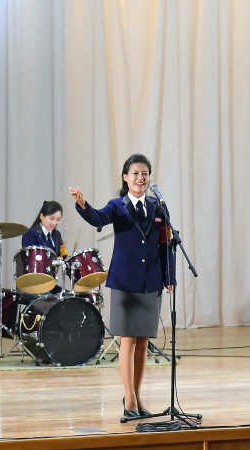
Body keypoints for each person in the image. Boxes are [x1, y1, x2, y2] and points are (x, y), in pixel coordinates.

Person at [70, 153, 176, 419]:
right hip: (125, 281)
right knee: (128, 340)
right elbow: (98, 218)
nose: (141, 178)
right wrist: (83, 205)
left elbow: (166, 245)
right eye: (136, 174)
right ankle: (129, 401)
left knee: (143, 343)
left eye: (145, 174)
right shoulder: (117, 206)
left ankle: (137, 397)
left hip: (151, 281)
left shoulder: (158, 208)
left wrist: (169, 277)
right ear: (125, 177)